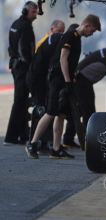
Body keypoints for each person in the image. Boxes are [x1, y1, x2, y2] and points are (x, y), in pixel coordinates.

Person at [25, 14, 101, 159]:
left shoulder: (76, 37)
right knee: (51, 112)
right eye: (93, 30)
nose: (92, 34)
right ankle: (32, 143)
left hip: (65, 81)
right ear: (87, 25)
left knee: (61, 114)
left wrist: (70, 81)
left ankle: (56, 148)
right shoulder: (70, 36)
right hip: (57, 80)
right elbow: (63, 58)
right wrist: (67, 81)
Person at [4, 1, 38, 145]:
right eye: (33, 12)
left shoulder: (15, 24)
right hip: (22, 68)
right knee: (19, 101)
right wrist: (31, 64)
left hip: (16, 65)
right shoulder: (25, 26)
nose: (36, 15)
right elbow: (24, 49)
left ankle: (23, 135)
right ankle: (11, 137)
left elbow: (12, 46)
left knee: (23, 101)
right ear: (26, 11)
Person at [27, 20, 65, 107]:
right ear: (52, 29)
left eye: (63, 32)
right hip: (37, 76)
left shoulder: (51, 41)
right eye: (59, 31)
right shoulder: (44, 42)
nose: (61, 34)